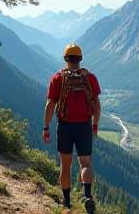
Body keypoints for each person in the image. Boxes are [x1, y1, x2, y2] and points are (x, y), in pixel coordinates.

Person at [43, 44, 101, 214]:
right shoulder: (90, 78)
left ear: (65, 59)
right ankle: (88, 196)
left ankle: (67, 203)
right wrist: (95, 125)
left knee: (65, 166)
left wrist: (46, 127)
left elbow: (50, 104)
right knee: (86, 164)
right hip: (84, 126)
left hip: (65, 126)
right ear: (81, 59)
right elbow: (97, 105)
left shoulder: (57, 79)